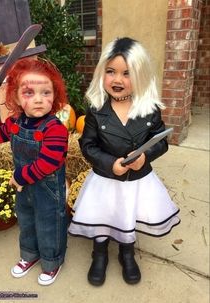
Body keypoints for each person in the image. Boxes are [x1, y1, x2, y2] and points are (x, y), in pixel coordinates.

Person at [68, 37, 180, 286]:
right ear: (102, 73)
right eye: (111, 72)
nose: (117, 80)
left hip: (137, 180)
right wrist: (109, 163)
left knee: (127, 214)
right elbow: (87, 145)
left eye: (126, 74)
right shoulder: (97, 109)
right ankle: (99, 254)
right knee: (103, 214)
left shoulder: (149, 109)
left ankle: (126, 253)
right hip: (106, 177)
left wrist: (145, 157)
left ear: (140, 76)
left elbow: (161, 141)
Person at [0, 58, 69, 286]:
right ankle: (30, 254)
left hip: (48, 189)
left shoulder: (55, 129)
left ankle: (52, 261)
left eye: (46, 92)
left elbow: (48, 162)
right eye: (29, 92)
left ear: (55, 95)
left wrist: (19, 176)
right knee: (27, 220)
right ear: (17, 97)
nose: (39, 99)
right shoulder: (15, 123)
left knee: (49, 223)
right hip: (24, 188)